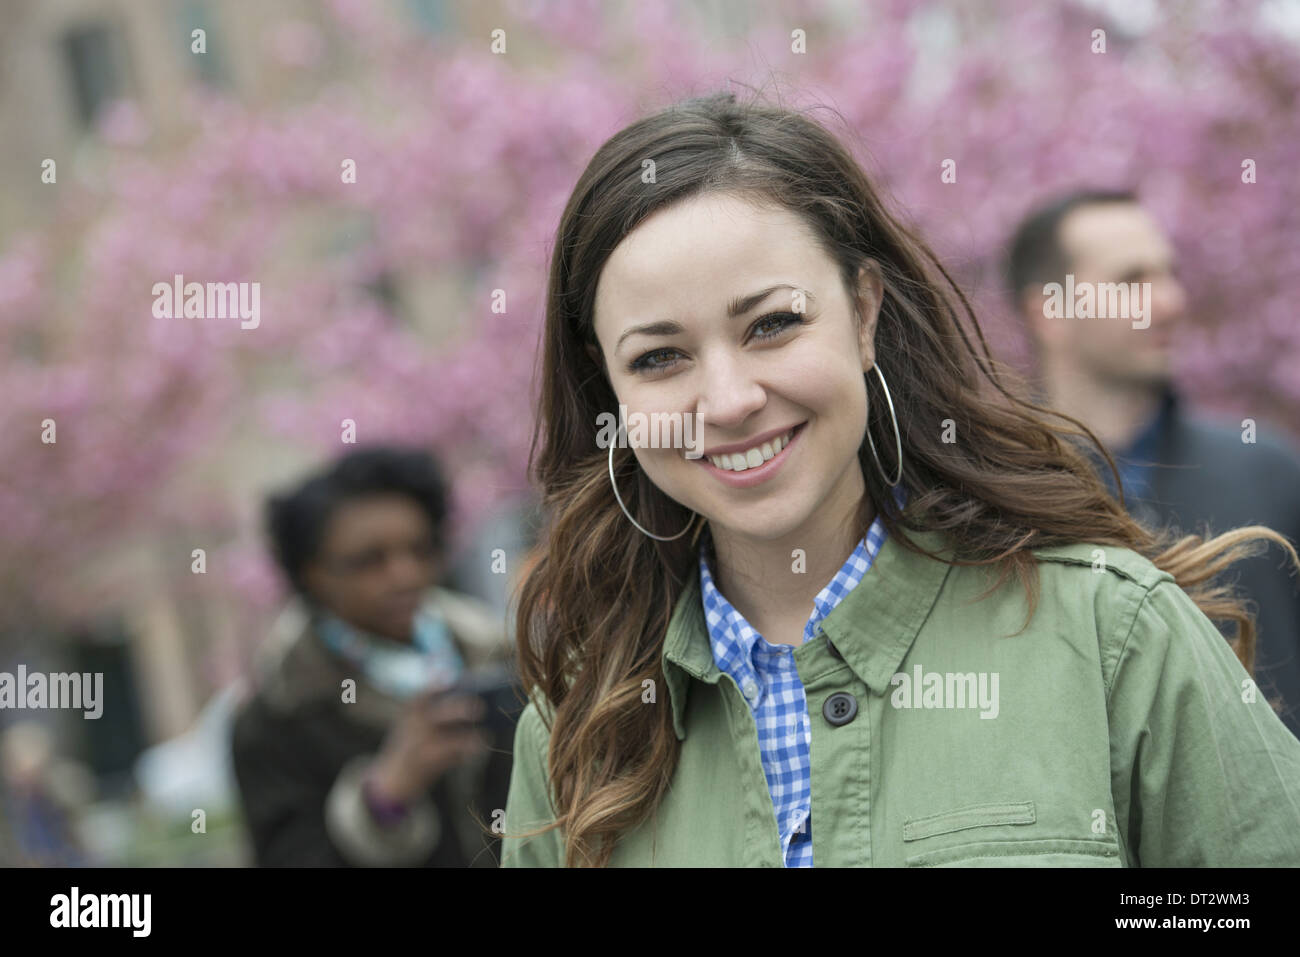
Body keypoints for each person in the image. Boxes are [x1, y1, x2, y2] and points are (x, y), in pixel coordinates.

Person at [500, 90, 1300, 868]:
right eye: (659, 357)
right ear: (611, 392)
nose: (731, 400)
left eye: (773, 324)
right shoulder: (575, 728)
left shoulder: (1110, 632)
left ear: (866, 314)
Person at [1005, 189, 1300, 740]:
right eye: (1131, 281)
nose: (1170, 301)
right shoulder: (993, 498)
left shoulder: (1270, 473)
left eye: (1169, 274)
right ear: (1049, 312)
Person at [231, 446, 515, 866]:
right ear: (312, 574)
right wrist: (384, 798)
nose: (405, 575)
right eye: (368, 561)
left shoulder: (503, 662)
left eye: (420, 550)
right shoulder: (278, 718)